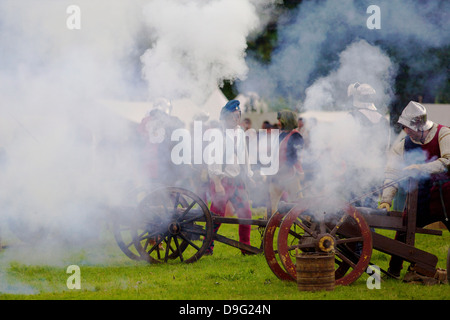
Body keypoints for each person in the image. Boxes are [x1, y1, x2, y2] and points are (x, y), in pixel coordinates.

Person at [378, 101, 450, 277]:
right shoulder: (402, 145)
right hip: (420, 197)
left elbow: (448, 161)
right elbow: (392, 173)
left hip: (447, 196)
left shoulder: (444, 133)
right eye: (405, 127)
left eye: (409, 127)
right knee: (403, 231)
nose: (406, 131)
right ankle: (394, 271)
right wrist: (386, 200)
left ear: (420, 126)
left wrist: (420, 168)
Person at [205, 100, 254, 255]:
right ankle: (207, 247)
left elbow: (244, 155)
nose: (236, 118)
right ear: (225, 118)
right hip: (222, 181)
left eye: (238, 115)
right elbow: (213, 160)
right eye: (233, 116)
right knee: (215, 217)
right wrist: (217, 183)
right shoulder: (217, 134)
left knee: (246, 214)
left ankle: (245, 247)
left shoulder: (240, 132)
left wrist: (249, 174)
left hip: (237, 181)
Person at [268, 110, 304, 215]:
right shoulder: (281, 135)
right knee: (272, 200)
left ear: (286, 121)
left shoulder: (296, 136)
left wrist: (282, 169)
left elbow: (294, 157)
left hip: (291, 174)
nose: (278, 123)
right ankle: (272, 224)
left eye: (280, 120)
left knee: (298, 203)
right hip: (278, 174)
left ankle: (307, 224)